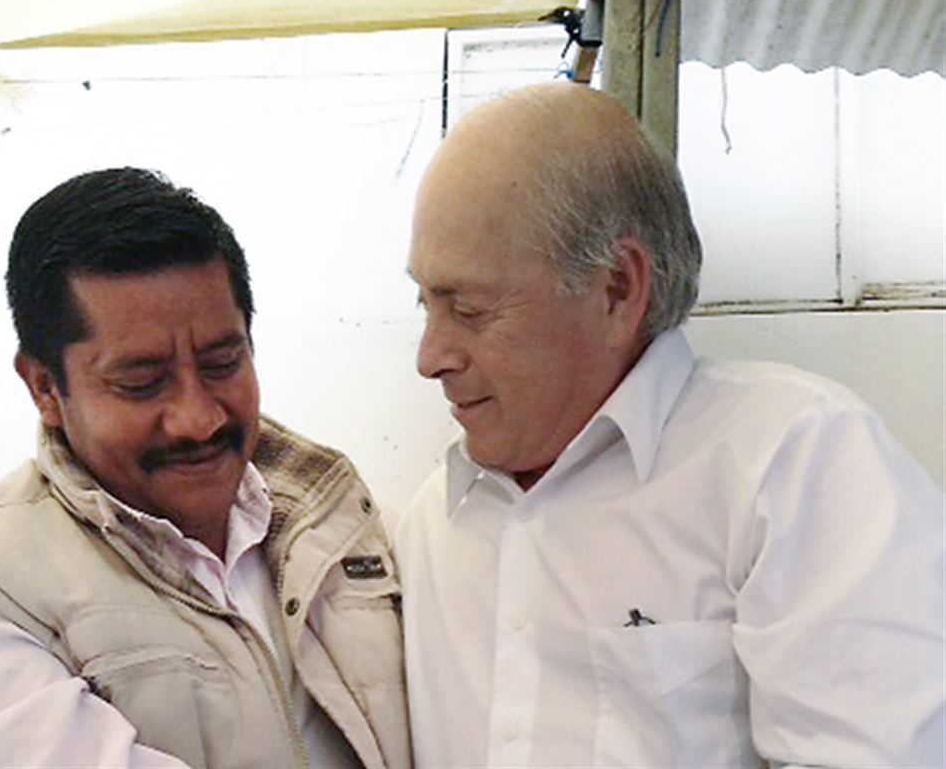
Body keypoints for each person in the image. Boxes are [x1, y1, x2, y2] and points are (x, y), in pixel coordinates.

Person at [396, 82, 945, 768]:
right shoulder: (434, 523)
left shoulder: (793, 462)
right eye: (424, 304)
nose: (430, 357)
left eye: (469, 309)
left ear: (617, 288)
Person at [0, 167, 410, 769]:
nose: (198, 418)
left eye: (222, 363)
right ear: (44, 386)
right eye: (142, 383)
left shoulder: (340, 522)